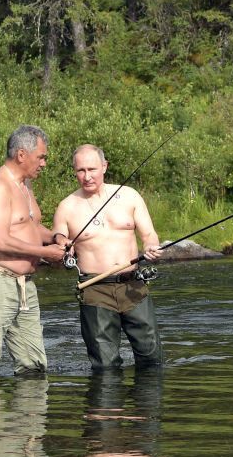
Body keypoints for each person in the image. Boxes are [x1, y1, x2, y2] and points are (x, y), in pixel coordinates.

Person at [0, 125, 69, 379]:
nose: (44, 163)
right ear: (22, 155)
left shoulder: (25, 185)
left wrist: (56, 238)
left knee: (33, 364)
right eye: (41, 157)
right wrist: (46, 254)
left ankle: (29, 418)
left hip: (24, 286)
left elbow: (30, 226)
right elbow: (1, 241)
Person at [52, 144, 164, 370]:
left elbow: (149, 233)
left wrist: (151, 245)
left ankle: (149, 405)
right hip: (95, 289)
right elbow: (59, 238)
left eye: (92, 169)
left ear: (104, 166)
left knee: (152, 358)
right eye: (80, 171)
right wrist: (64, 245)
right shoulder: (66, 207)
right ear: (74, 171)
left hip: (134, 286)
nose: (87, 176)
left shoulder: (129, 196)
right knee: (105, 366)